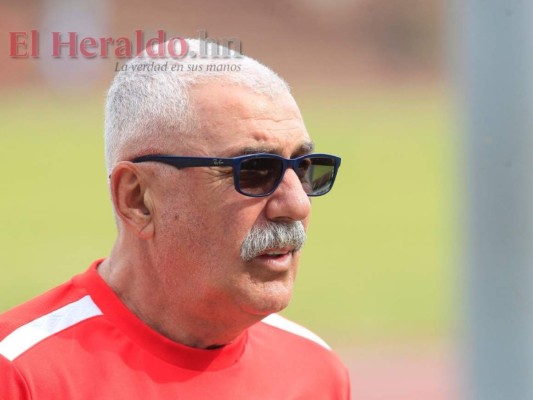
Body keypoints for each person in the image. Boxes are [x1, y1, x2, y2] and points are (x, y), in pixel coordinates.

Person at [0, 39, 350, 399]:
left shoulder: (315, 373)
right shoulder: (20, 374)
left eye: (303, 168)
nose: (296, 205)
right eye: (255, 170)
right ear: (138, 199)